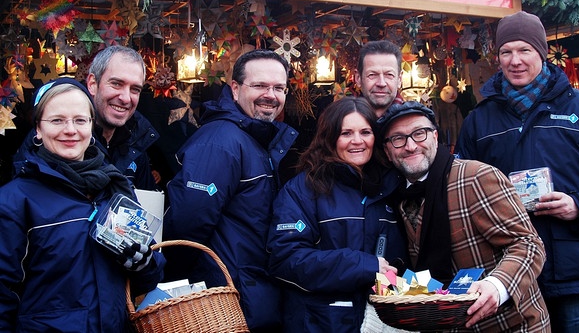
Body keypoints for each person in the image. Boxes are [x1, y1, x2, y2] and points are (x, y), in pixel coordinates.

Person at [455, 10, 579, 333]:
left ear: (542, 52)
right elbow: (460, 190)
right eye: (506, 52)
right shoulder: (479, 121)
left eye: (525, 50)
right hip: (509, 273)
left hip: (575, 270)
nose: (515, 60)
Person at [0, 78, 165, 331]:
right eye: (57, 120)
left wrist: (144, 264)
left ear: (91, 126)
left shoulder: (114, 188)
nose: (70, 130)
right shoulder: (14, 201)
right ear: (37, 129)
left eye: (80, 120)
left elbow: (148, 278)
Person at [379, 101, 550, 331]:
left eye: (419, 133)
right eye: (398, 138)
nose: (410, 146)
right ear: (388, 151)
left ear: (435, 136)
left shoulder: (475, 177)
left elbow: (529, 244)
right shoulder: (395, 198)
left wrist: (497, 286)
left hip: (509, 325)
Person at [162, 49, 298, 332]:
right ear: (235, 89)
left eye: (278, 87)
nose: (270, 95)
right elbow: (188, 226)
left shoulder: (252, 138)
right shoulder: (221, 141)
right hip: (226, 303)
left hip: (247, 295)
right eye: (259, 85)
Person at [266, 96, 405, 332]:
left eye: (365, 132)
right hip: (320, 323)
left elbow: (398, 263)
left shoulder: (390, 186)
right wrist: (364, 266)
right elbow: (285, 259)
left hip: (380, 322)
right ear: (330, 138)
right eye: (346, 133)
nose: (357, 141)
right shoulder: (303, 189)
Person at [86, 45, 160, 190]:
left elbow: (145, 207)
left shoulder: (137, 142)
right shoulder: (64, 138)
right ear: (93, 84)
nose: (126, 98)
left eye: (135, 89)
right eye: (116, 84)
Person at [354, 40, 403, 116]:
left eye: (389, 75)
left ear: (399, 79)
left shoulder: (416, 123)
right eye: (372, 75)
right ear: (358, 78)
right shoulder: (340, 123)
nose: (381, 83)